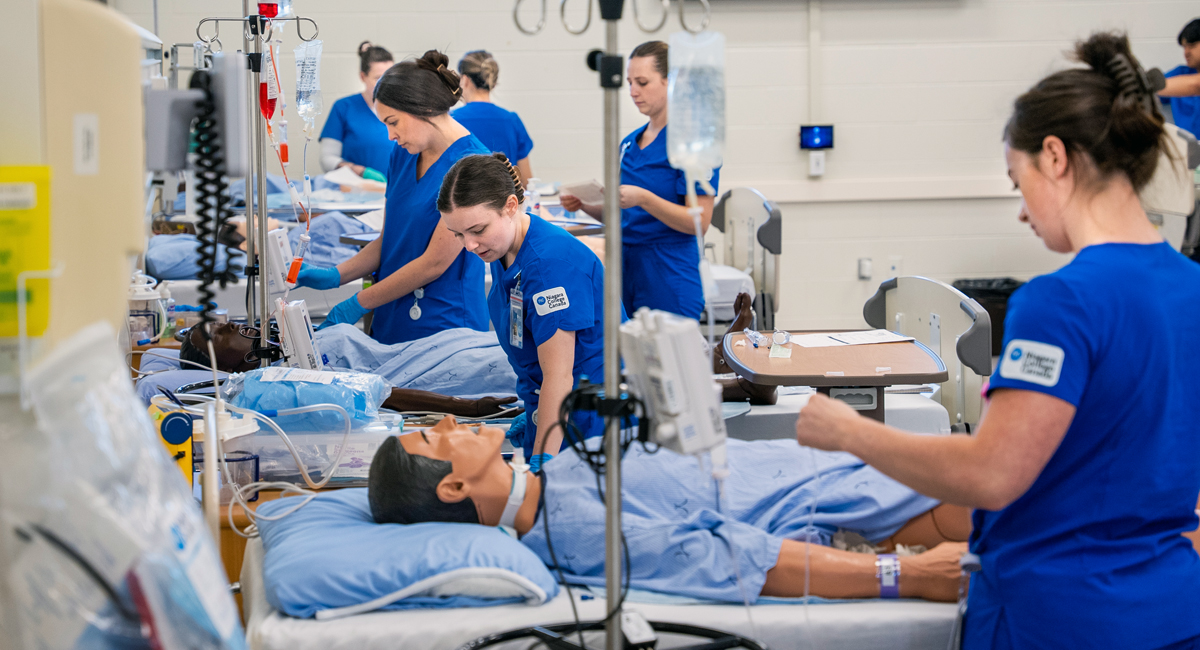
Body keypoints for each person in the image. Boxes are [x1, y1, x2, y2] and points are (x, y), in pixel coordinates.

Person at [794, 33, 1200, 648]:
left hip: (1060, 615)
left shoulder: (1060, 302)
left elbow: (993, 473)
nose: (1022, 212)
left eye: (1019, 182)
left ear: (1056, 157)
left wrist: (848, 433)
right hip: (1170, 608)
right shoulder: (1189, 286)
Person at [367, 415, 969, 603]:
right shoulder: (578, 536)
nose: (448, 422)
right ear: (453, 490)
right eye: (432, 437)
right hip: (866, 509)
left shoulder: (566, 467)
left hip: (843, 469)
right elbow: (743, 559)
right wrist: (910, 575)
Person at [295, 51, 491, 343]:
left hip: (444, 325)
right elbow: (390, 240)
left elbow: (434, 263)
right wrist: (335, 276)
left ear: (422, 108)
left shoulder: (471, 165)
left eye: (393, 122)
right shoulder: (403, 155)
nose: (389, 135)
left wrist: (358, 302)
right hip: (391, 314)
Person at [438, 153, 610, 471]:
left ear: (511, 206)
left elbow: (559, 376)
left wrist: (544, 459)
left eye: (478, 230)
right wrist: (533, 410)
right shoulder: (506, 253)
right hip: (550, 414)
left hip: (586, 427)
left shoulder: (549, 267)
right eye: (458, 234)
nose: (469, 246)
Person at [560, 41, 720, 320]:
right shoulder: (629, 144)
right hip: (626, 269)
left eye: (643, 82)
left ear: (671, 82)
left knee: (667, 360)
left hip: (669, 272)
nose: (633, 92)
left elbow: (700, 222)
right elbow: (622, 214)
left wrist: (645, 198)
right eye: (630, 82)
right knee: (627, 361)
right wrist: (585, 204)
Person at [172, 322, 518, 417]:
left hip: (444, 347)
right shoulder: (274, 383)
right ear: (225, 364)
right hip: (445, 373)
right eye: (220, 333)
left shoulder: (285, 350)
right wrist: (468, 408)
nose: (232, 325)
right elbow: (380, 395)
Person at [452, 51, 535, 187]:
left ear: (465, 80)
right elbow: (525, 181)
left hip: (463, 204)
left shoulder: (451, 121)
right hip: (505, 204)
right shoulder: (511, 121)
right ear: (493, 83)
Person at [320, 41, 395, 181]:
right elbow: (327, 158)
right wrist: (359, 171)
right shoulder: (344, 108)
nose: (385, 85)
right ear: (362, 77)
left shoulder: (403, 109)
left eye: (389, 78)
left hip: (397, 191)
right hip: (356, 192)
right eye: (378, 79)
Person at [1157, 19, 1200, 138]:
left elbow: (1195, 84)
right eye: (1184, 47)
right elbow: (1152, 94)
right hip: (1187, 150)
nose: (1186, 52)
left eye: (1191, 46)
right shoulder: (1179, 73)